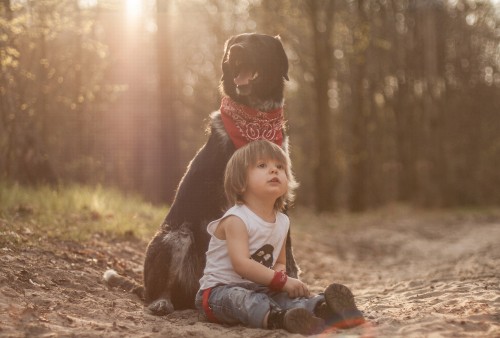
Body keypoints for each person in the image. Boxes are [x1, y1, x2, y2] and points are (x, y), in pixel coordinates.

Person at [195, 140, 365, 334]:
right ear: (240, 180)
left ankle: (325, 309)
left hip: (262, 288)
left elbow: (279, 262)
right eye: (262, 165)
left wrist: (283, 282)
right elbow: (241, 264)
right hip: (218, 294)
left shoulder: (282, 221)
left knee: (286, 298)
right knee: (244, 300)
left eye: (280, 167)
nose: (274, 171)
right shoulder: (237, 219)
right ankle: (280, 318)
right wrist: (282, 282)